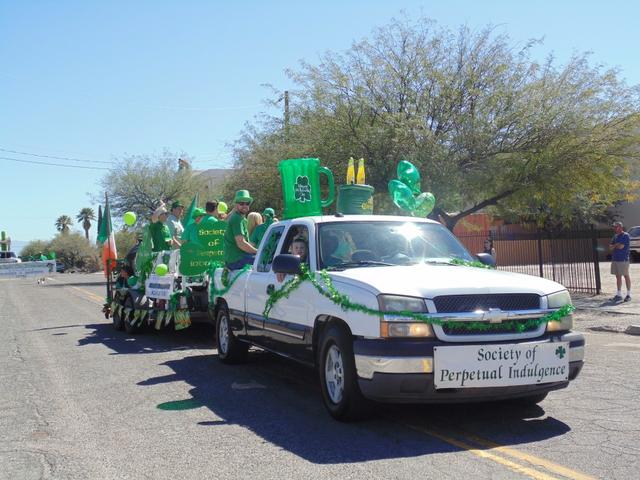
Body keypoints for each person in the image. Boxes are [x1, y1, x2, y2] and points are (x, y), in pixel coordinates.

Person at [223, 190, 258, 269]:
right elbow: (241, 243)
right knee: (265, 262)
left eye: (247, 203)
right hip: (236, 260)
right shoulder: (236, 219)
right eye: (241, 203)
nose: (245, 205)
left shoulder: (242, 218)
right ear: (236, 205)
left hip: (239, 257)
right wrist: (257, 251)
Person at [609, 221, 631, 302]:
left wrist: (615, 245)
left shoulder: (626, 235)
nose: (615, 228)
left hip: (623, 259)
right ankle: (619, 295)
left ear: (621, 227)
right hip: (615, 259)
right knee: (618, 277)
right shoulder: (615, 236)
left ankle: (628, 295)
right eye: (614, 227)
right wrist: (616, 245)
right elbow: (610, 247)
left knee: (626, 275)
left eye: (616, 227)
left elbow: (621, 246)